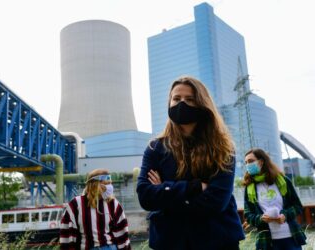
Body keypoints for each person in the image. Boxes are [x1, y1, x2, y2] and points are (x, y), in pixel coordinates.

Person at [136, 76, 245, 250]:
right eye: (176, 99)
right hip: (170, 241)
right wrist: (193, 187)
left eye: (190, 99)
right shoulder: (155, 148)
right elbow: (145, 196)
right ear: (169, 102)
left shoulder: (222, 147)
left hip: (216, 240)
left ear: (202, 104)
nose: (181, 104)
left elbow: (216, 201)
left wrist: (164, 190)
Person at [243, 148, 306, 250]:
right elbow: (248, 214)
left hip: (290, 238)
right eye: (246, 162)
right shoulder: (249, 187)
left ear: (261, 162)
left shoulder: (284, 181)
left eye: (250, 161)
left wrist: (285, 215)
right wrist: (260, 218)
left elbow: (297, 206)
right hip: (266, 240)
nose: (248, 165)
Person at [60, 168, 131, 250]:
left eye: (110, 184)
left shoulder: (113, 203)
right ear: (95, 184)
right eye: (106, 184)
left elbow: (122, 232)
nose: (110, 187)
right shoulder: (76, 204)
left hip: (109, 247)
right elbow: (67, 231)